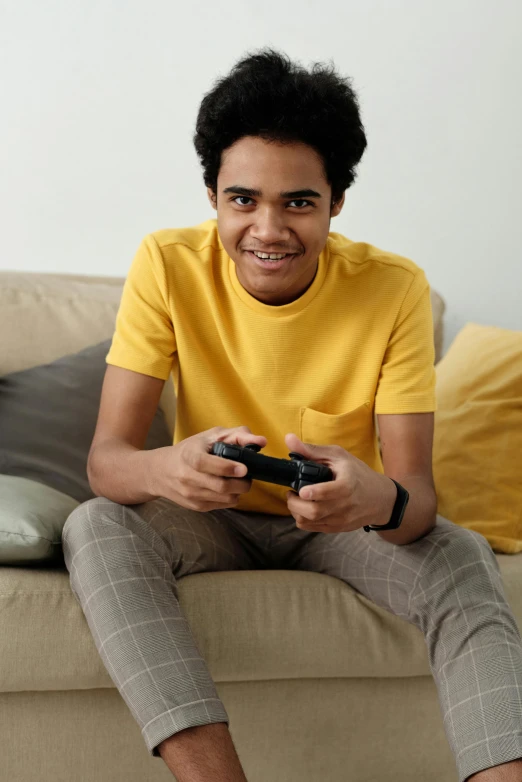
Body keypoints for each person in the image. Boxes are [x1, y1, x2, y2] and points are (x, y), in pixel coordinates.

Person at [61, 48, 522, 782]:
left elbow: (416, 504)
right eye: (243, 199)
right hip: (210, 516)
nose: (268, 229)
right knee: (94, 524)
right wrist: (170, 468)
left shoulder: (394, 288)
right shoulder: (166, 264)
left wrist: (373, 496)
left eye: (298, 203)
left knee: (460, 554)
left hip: (336, 529)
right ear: (212, 194)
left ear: (336, 201)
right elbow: (106, 464)